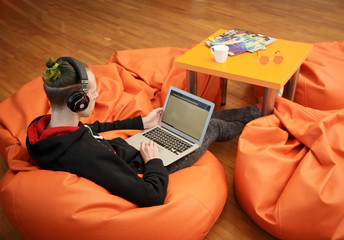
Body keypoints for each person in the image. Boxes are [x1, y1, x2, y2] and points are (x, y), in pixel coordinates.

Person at [26, 56, 261, 207]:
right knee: (212, 127)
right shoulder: (84, 154)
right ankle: (257, 120)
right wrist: (154, 161)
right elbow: (152, 195)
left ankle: (254, 113)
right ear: (77, 102)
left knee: (201, 121)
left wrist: (140, 123)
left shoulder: (46, 128)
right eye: (94, 92)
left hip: (134, 148)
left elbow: (91, 128)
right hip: (145, 166)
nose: (97, 96)